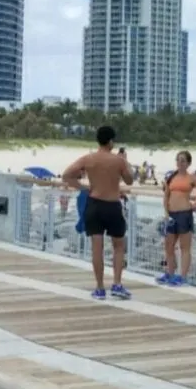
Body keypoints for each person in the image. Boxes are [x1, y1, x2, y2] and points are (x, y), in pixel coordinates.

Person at [62, 126, 134, 300]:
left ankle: (100, 288)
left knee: (97, 248)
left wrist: (84, 187)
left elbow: (67, 175)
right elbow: (129, 180)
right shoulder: (118, 161)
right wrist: (125, 161)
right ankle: (117, 283)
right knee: (118, 246)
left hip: (94, 204)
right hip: (112, 205)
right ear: (110, 141)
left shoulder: (89, 158)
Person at [157, 150, 196, 286]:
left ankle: (182, 276)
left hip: (184, 213)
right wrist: (166, 213)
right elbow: (166, 195)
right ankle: (170, 273)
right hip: (171, 214)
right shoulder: (171, 177)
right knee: (169, 246)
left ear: (188, 163)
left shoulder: (191, 178)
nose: (180, 163)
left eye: (183, 161)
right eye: (178, 160)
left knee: (184, 247)